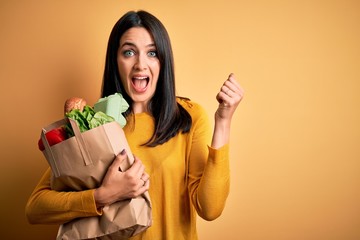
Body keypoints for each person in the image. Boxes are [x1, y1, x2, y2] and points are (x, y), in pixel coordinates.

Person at [26, 10, 244, 240]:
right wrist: (102, 195)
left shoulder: (189, 117)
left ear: (163, 62)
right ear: (115, 61)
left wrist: (223, 120)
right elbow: (35, 207)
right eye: (129, 52)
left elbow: (210, 209)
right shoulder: (95, 124)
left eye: (152, 53)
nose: (140, 64)